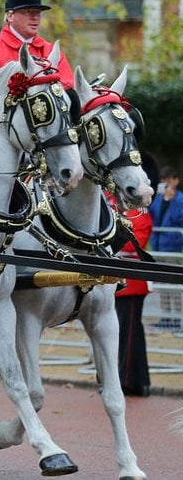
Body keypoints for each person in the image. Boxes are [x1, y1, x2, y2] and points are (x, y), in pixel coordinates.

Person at [109, 192, 154, 397]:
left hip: (132, 283)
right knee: (121, 334)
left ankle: (128, 381)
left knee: (128, 334)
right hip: (114, 282)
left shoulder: (139, 214)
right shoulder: (113, 210)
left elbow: (135, 244)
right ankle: (134, 380)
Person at [149, 165, 183, 331]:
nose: (166, 184)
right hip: (157, 247)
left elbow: (180, 219)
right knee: (161, 284)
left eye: (168, 181)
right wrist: (161, 198)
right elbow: (151, 214)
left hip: (173, 248)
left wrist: (170, 200)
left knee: (174, 285)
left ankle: (176, 318)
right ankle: (165, 316)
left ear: (176, 181)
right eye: (163, 181)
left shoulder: (180, 200)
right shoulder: (158, 199)